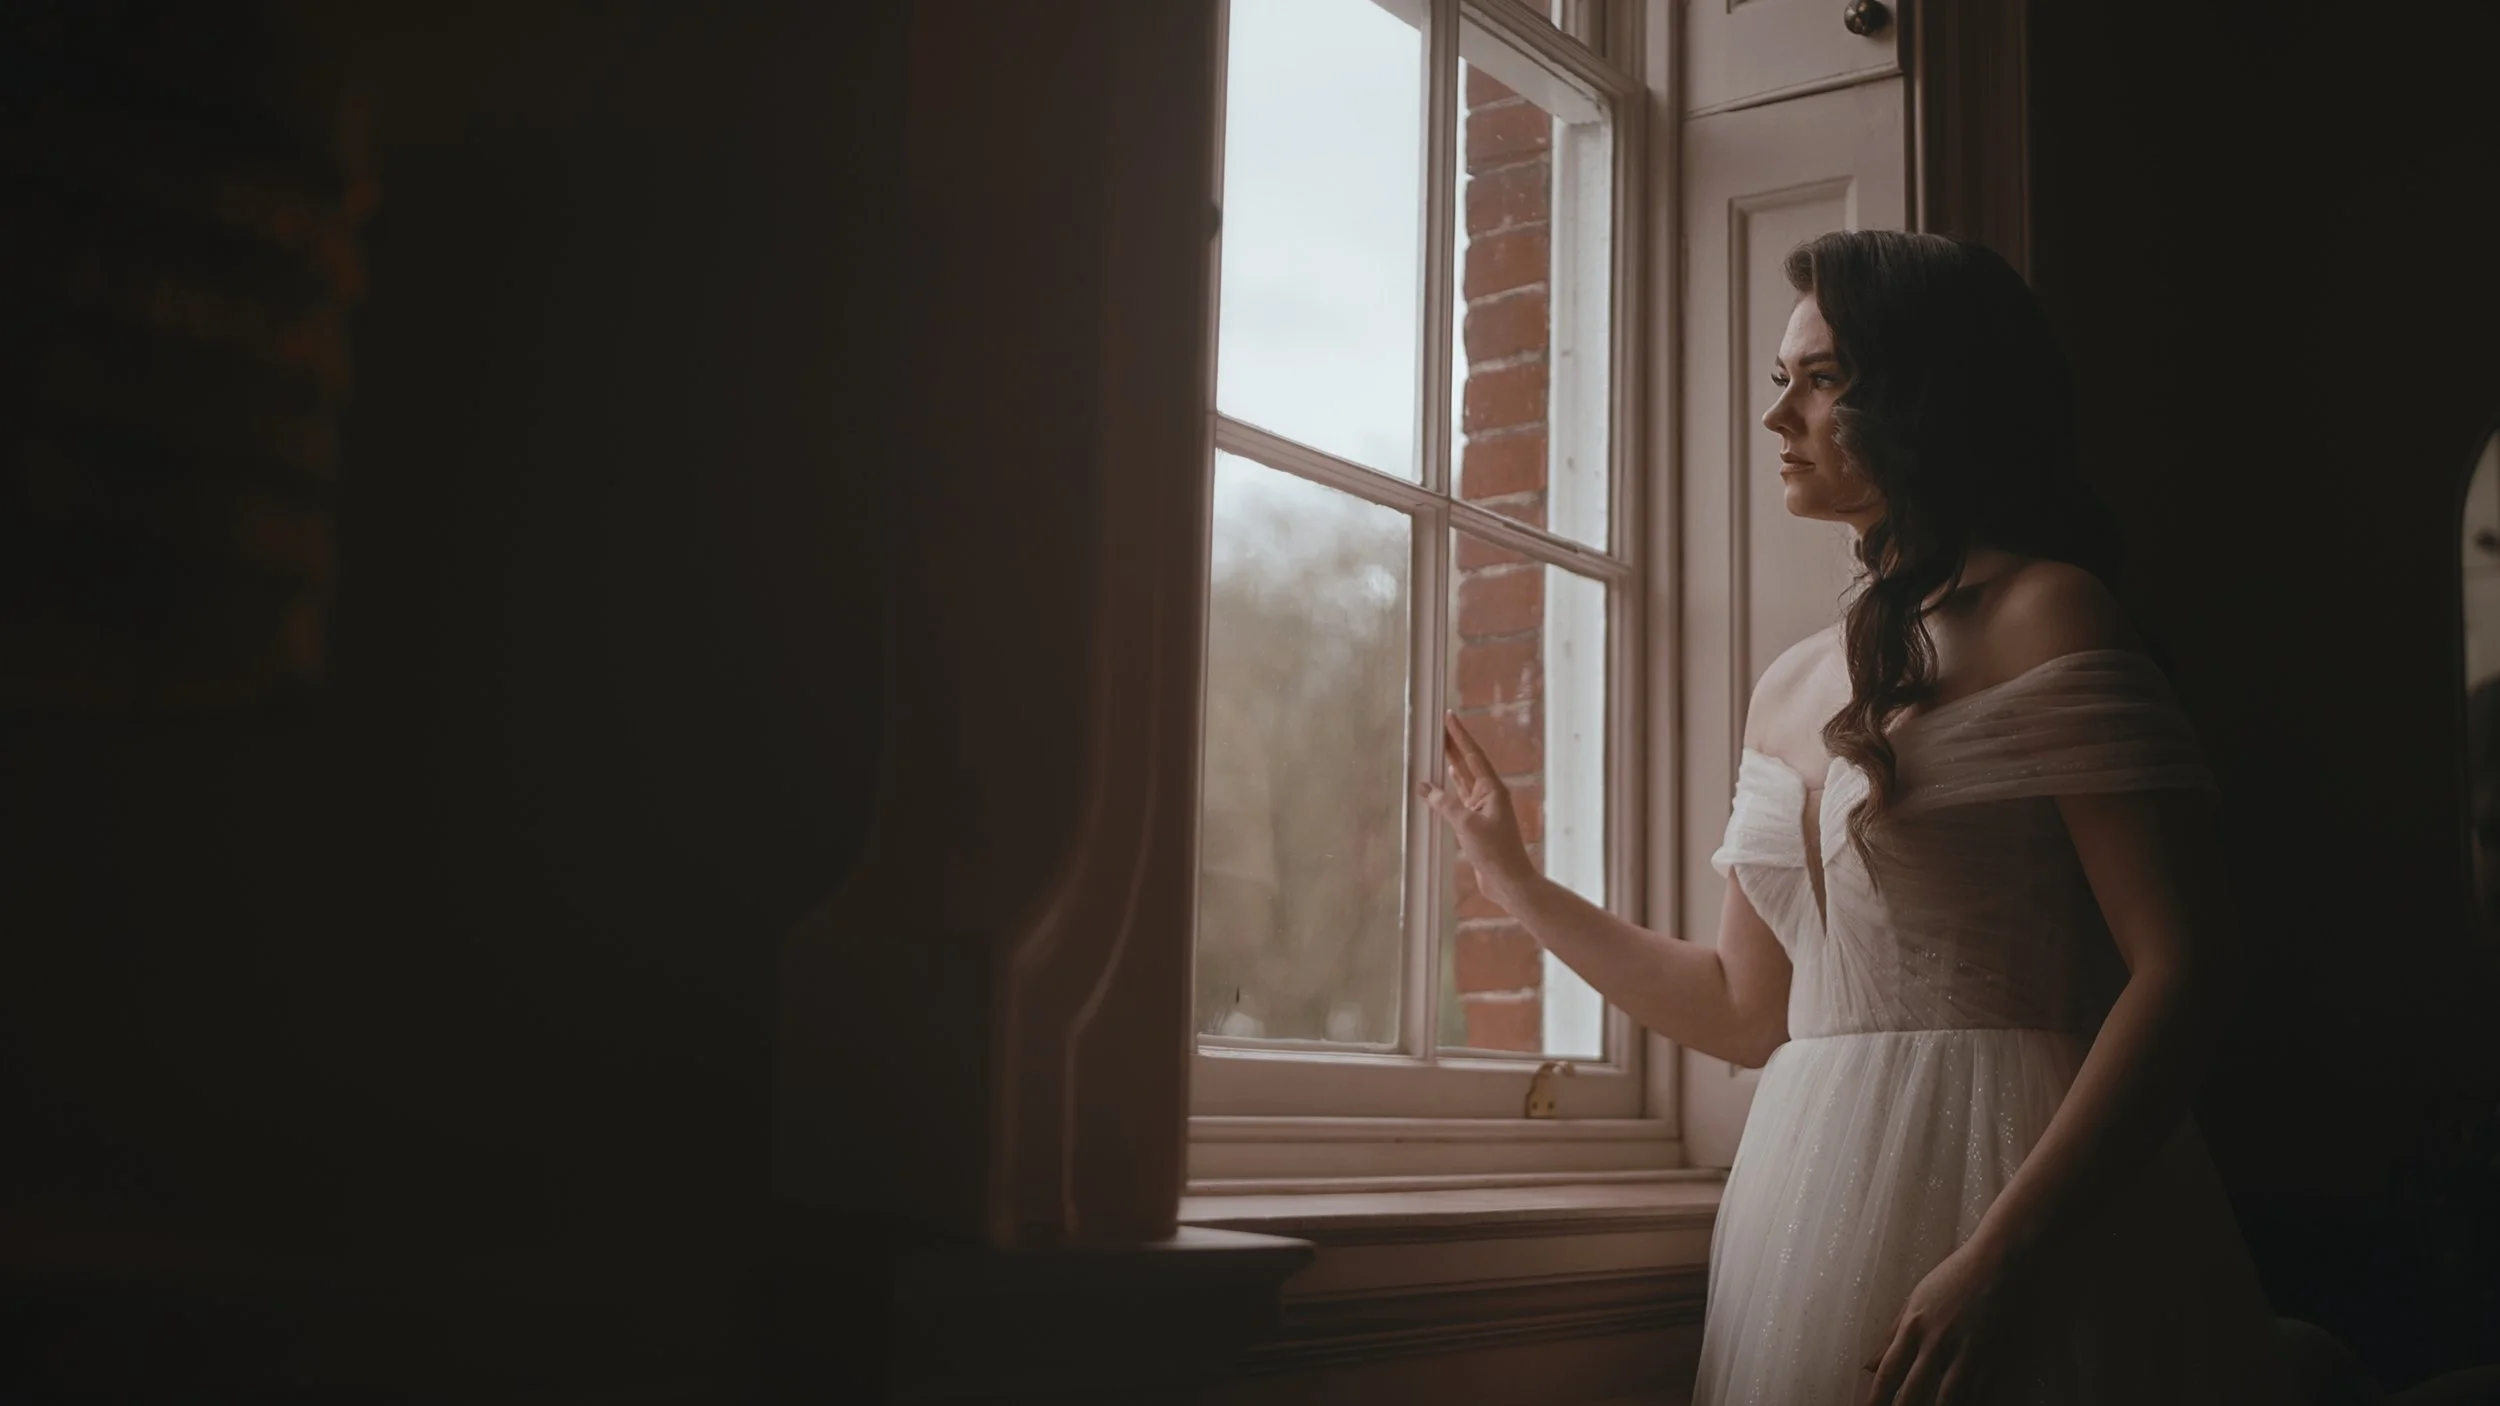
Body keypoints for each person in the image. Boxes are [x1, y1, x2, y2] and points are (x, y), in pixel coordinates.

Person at [1421, 230, 2302, 1405]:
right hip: (1805, 1204)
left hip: (2017, 1183)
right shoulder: (1786, 683)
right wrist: (1519, 888)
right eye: (1779, 379)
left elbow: (2185, 964)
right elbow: (1742, 1012)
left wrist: (2000, 1252)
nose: (1778, 417)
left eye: (1821, 379)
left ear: (1925, 394)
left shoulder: (2047, 614)